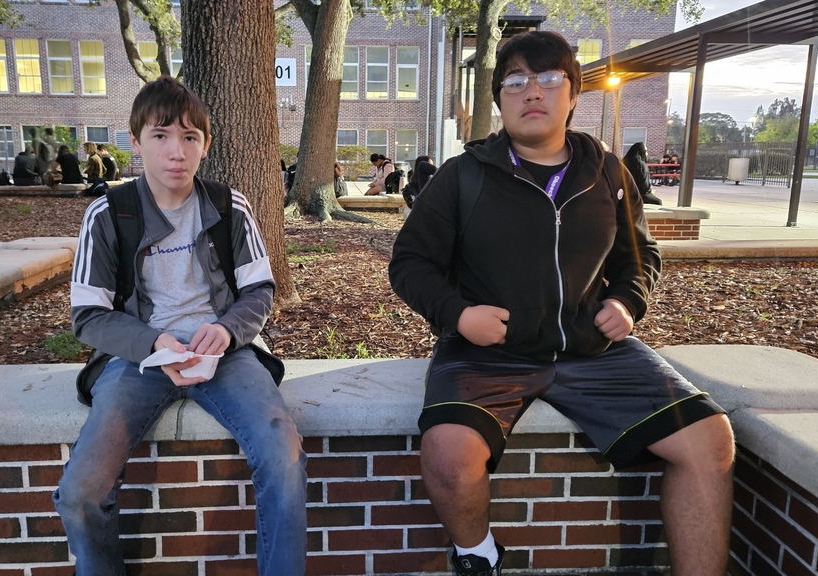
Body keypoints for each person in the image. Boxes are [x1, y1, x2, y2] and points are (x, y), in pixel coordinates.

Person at [388, 31, 734, 576]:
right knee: (450, 457)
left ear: (573, 94)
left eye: (549, 79)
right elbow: (409, 262)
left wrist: (627, 301)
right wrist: (457, 315)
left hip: (593, 352)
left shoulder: (608, 173)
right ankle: (478, 556)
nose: (533, 92)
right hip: (490, 353)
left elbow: (638, 255)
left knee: (709, 441)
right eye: (517, 81)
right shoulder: (463, 176)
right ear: (499, 98)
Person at [54, 76, 307, 575]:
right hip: (140, 357)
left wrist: (229, 330)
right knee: (81, 489)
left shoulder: (228, 206)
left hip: (225, 354)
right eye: (161, 135)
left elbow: (260, 290)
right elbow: (88, 315)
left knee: (283, 456)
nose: (177, 151)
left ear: (205, 145)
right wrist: (154, 343)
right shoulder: (107, 213)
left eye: (190, 137)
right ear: (136, 142)